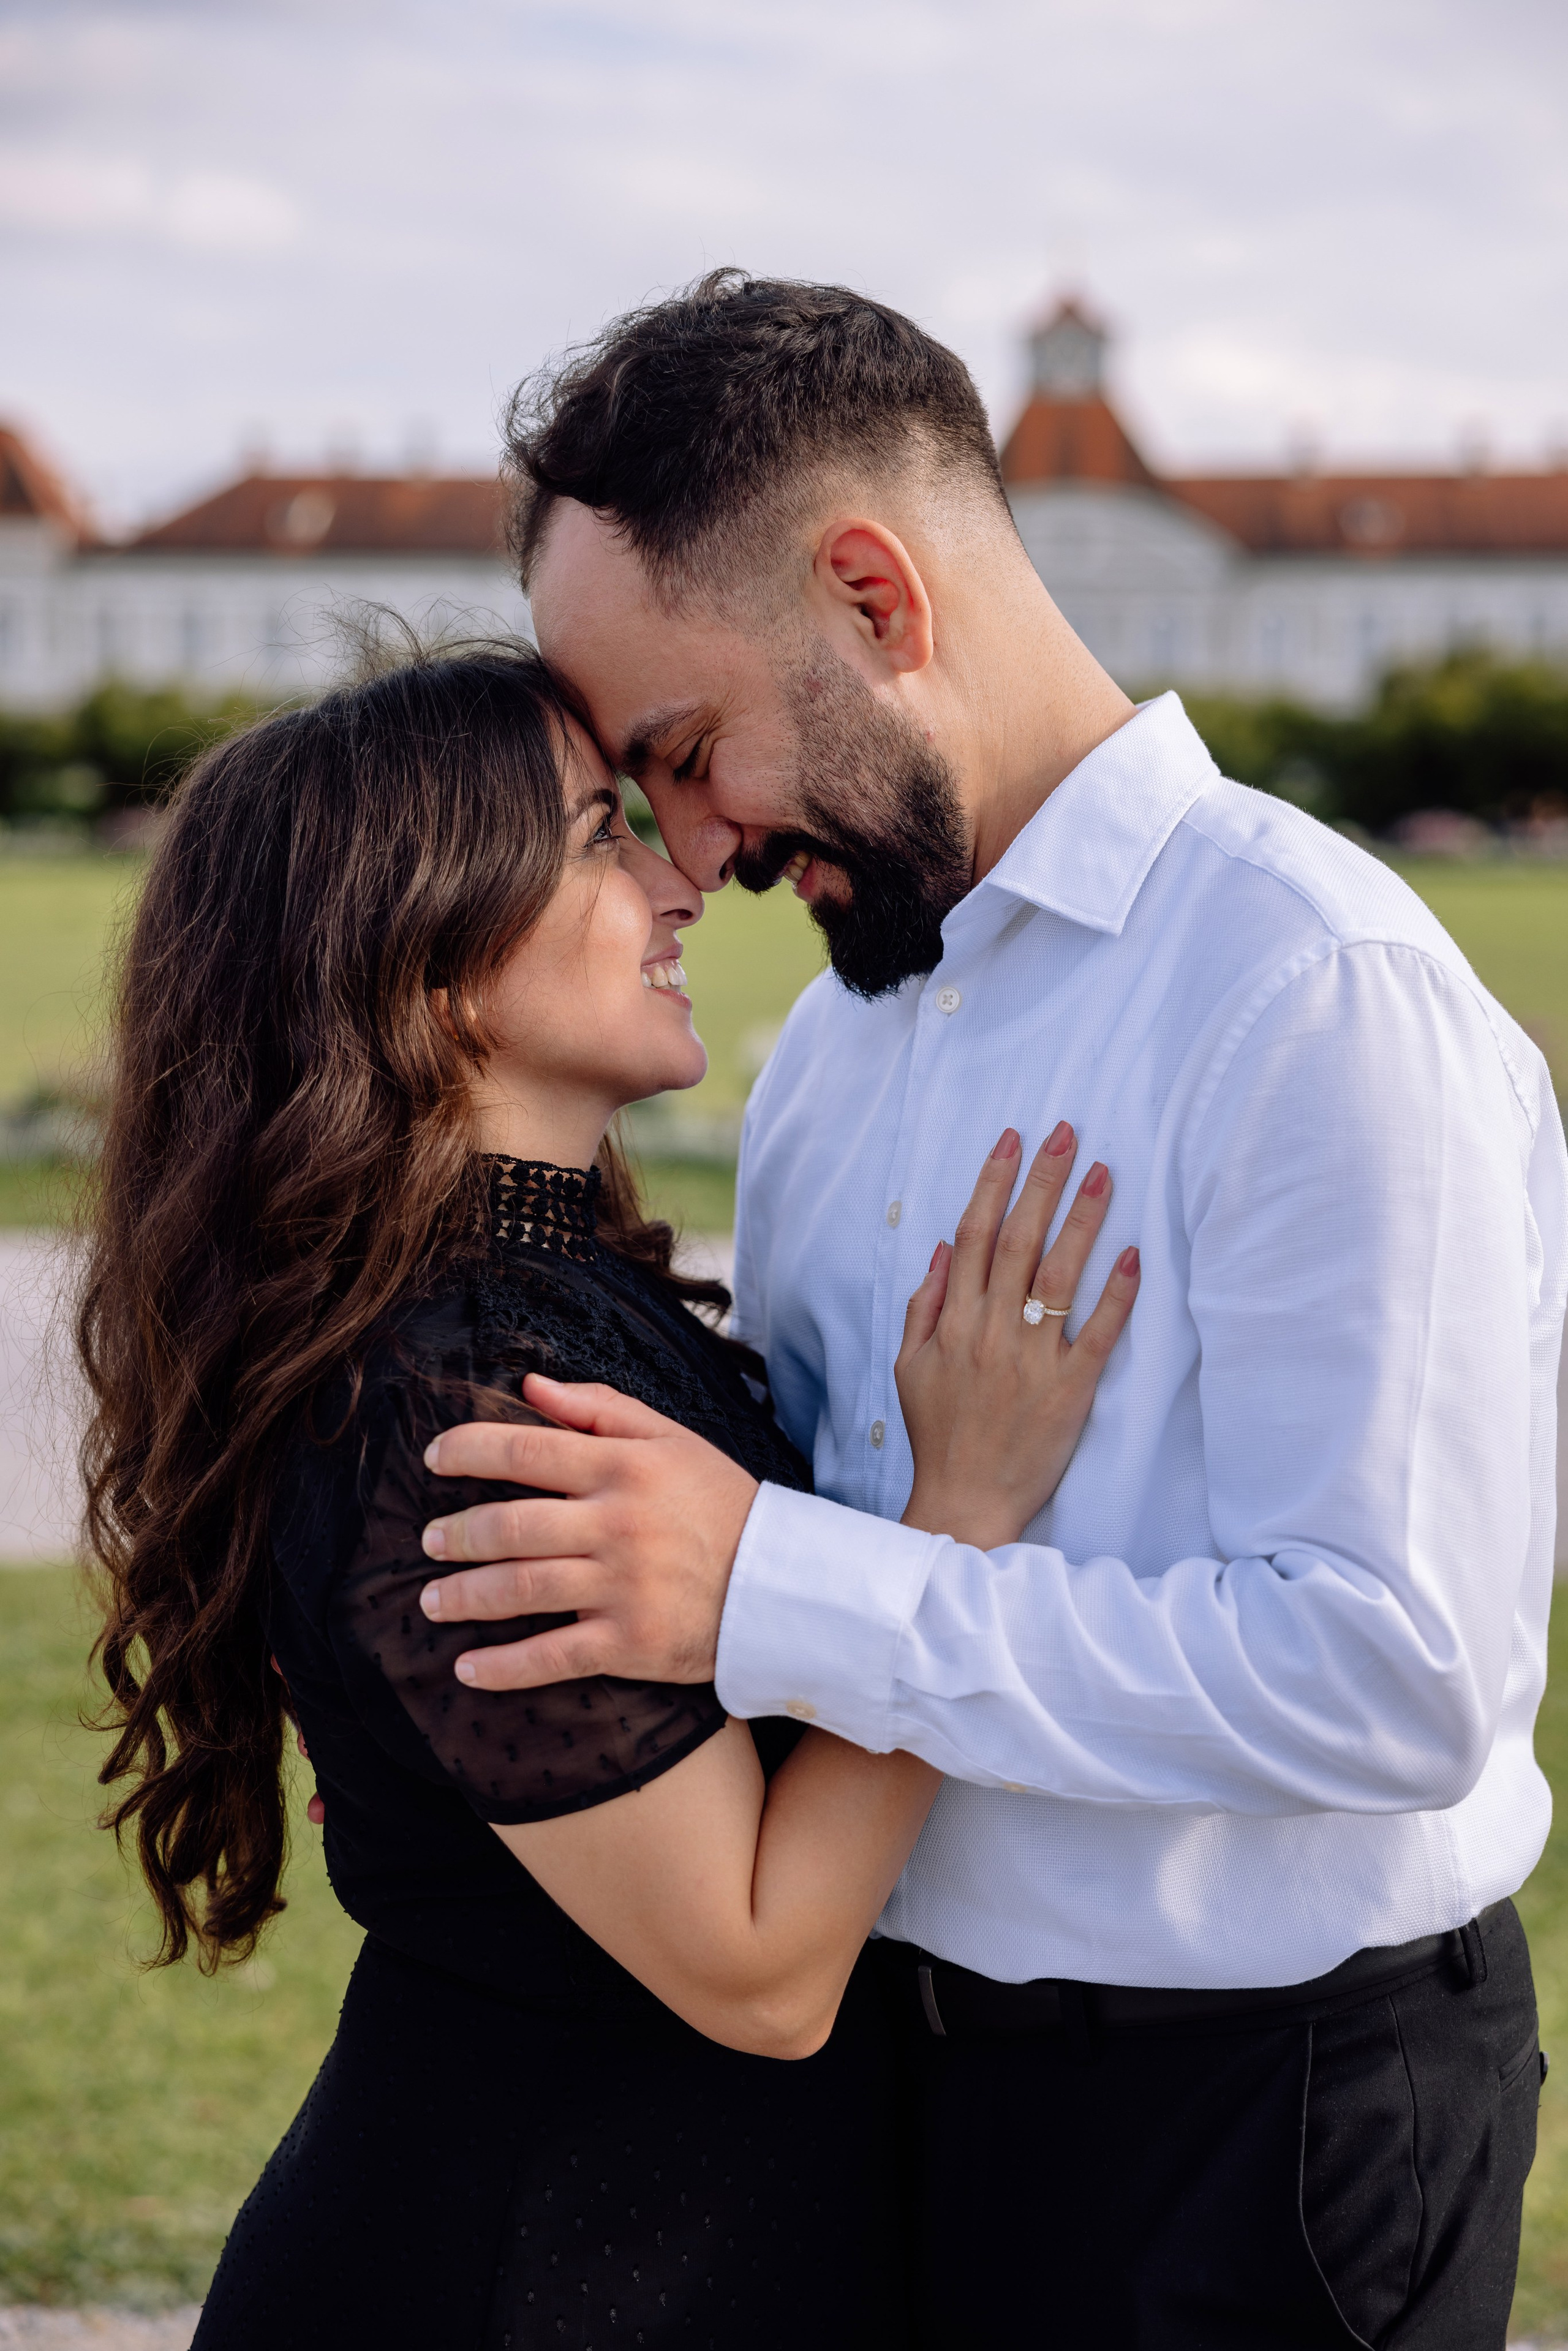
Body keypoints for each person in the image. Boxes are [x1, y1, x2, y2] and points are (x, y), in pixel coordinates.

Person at [417, 275, 1566, 2349]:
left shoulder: (1314, 993)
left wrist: (783, 1586)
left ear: (875, 596)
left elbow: (1396, 1676)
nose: (698, 851)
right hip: (894, 2093)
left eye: (685, 752)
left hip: (1257, 2133)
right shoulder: (842, 1051)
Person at [78, 642, 1136, 2350]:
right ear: (430, 971)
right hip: (528, 2276)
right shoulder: (463, 1397)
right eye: (596, 837)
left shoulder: (546, 1298)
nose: (678, 880)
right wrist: (963, 1518)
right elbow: (760, 1967)